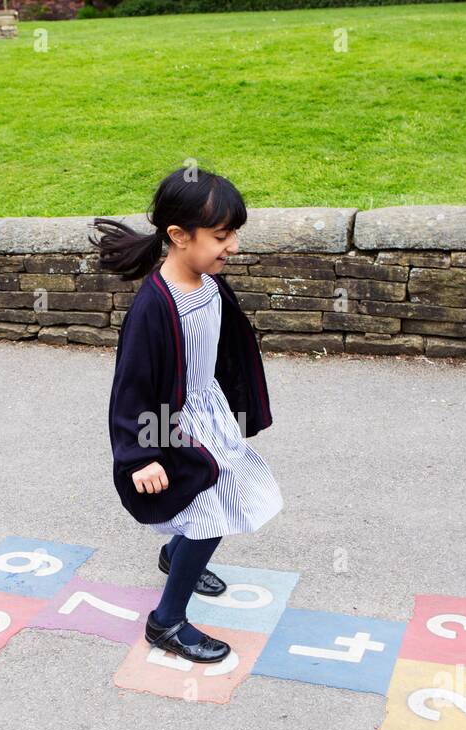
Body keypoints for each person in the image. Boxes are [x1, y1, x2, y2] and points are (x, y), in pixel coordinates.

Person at [93, 168, 282, 664]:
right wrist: (140, 455)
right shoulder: (155, 307)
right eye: (221, 236)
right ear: (178, 237)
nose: (233, 247)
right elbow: (130, 389)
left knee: (218, 497)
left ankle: (175, 557)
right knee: (209, 512)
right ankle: (167, 621)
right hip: (171, 423)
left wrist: (240, 403)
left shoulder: (210, 286)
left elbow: (223, 354)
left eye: (234, 234)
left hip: (209, 411)